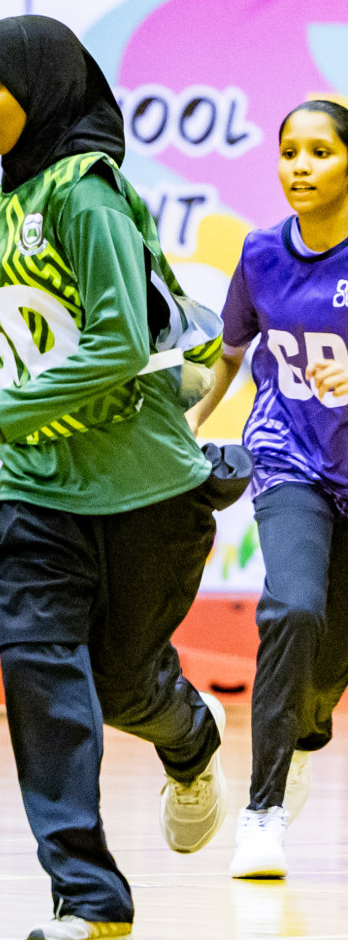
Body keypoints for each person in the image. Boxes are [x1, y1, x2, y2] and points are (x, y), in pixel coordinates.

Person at [0, 15, 248, 940]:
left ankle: (190, 735)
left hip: (143, 490)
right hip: (37, 493)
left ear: (42, 92)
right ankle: (88, 897)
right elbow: (26, 345)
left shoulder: (85, 195)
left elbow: (117, 342)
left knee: (124, 686)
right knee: (41, 674)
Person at [188, 99, 348, 879]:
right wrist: (191, 420)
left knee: (329, 655)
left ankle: (306, 730)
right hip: (290, 459)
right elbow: (227, 353)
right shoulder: (259, 255)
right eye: (289, 151)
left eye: (319, 152)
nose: (299, 165)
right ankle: (263, 811)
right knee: (293, 607)